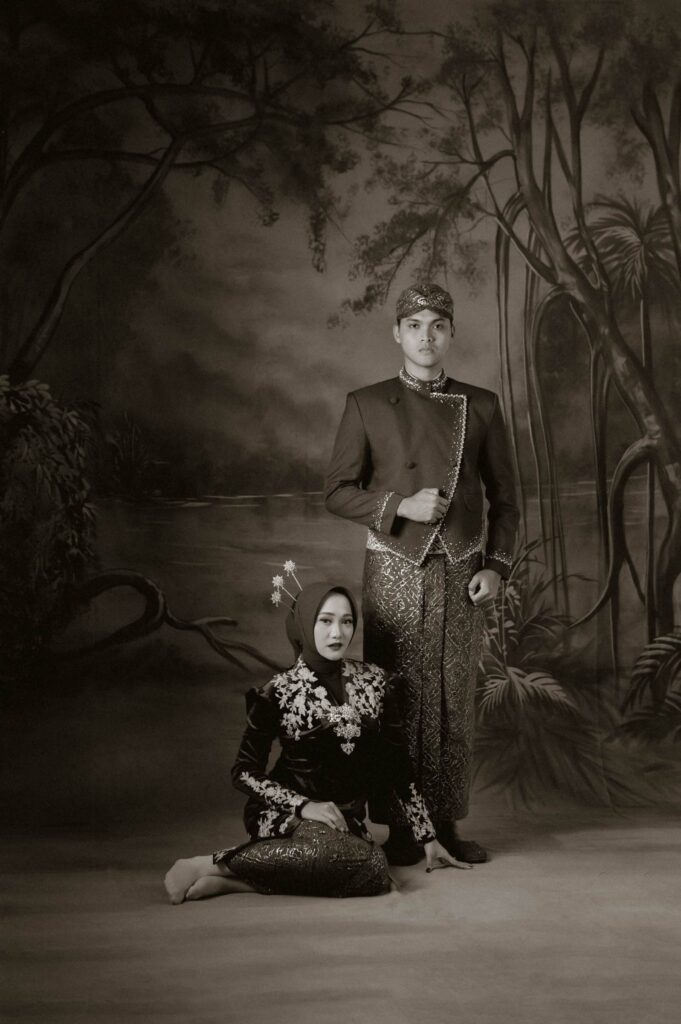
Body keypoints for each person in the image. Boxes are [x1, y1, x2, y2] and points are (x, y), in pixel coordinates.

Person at [324, 283, 519, 866]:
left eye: (437, 325)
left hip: (462, 566)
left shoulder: (482, 404)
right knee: (396, 696)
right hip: (395, 563)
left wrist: (497, 566)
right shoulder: (365, 403)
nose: (426, 336)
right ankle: (401, 828)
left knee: (453, 697)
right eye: (414, 325)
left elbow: (508, 499)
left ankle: (447, 823)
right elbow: (336, 491)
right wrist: (400, 506)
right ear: (397, 333)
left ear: (452, 333)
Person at [164, 582, 470, 903]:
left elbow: (396, 763)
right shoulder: (278, 691)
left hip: (344, 821)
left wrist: (427, 836)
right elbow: (243, 771)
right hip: (285, 814)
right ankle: (209, 864)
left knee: (374, 872)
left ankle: (236, 883)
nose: (337, 632)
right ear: (305, 624)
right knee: (364, 863)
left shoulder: (376, 682)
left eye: (346, 621)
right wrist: (304, 806)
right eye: (325, 621)